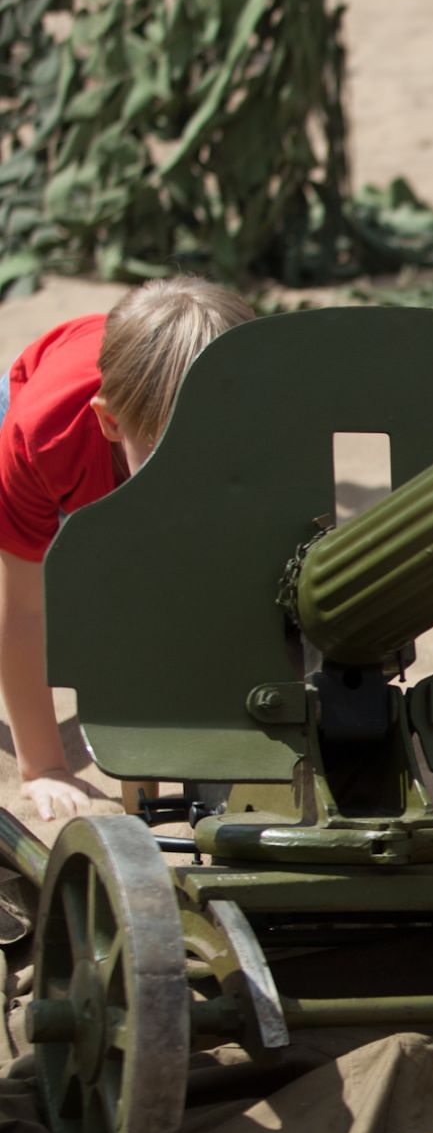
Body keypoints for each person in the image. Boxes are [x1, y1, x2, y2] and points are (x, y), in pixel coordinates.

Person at [1, 277, 255, 820]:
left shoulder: (259, 418)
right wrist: (43, 768)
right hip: (34, 402)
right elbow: (22, 609)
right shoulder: (45, 440)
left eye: (212, 461)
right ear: (113, 423)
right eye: (172, 463)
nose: (192, 485)